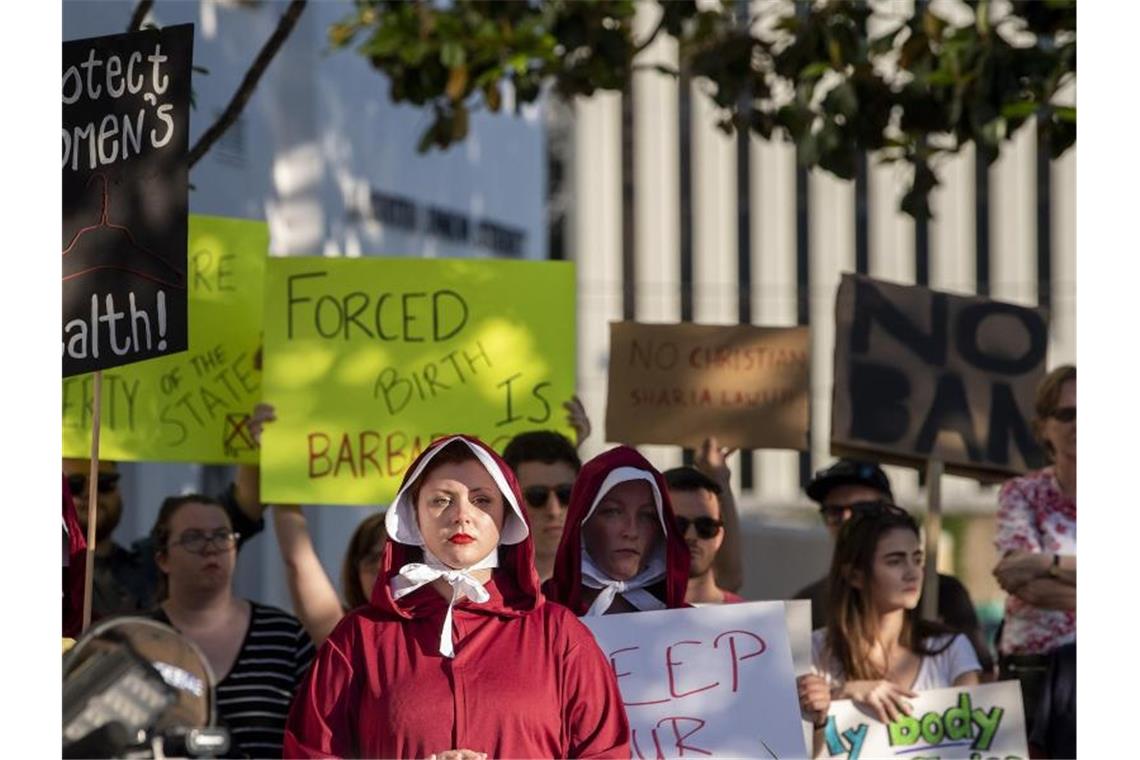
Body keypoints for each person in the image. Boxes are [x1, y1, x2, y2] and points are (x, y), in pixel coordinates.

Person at [283, 435, 630, 758]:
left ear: (507, 515)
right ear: (412, 515)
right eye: (441, 500)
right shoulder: (359, 638)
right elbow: (311, 751)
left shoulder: (559, 634)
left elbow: (605, 751)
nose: (461, 515)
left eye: (482, 500)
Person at [797, 504, 981, 748]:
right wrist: (843, 693)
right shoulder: (815, 650)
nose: (912, 573)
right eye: (895, 561)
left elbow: (977, 743)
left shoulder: (952, 648)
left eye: (917, 559)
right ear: (854, 575)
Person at [147, 493, 314, 759]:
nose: (210, 547)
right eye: (193, 537)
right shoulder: (136, 638)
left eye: (222, 535)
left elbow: (317, 740)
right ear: (162, 559)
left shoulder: (286, 636)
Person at [793, 458, 994, 675]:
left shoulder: (945, 594)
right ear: (854, 576)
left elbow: (982, 682)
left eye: (863, 510)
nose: (846, 519)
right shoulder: (808, 606)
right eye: (834, 512)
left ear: (890, 509)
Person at [63, 455, 267, 621]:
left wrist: (256, 443)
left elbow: (244, 505)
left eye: (104, 483)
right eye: (74, 485)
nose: (90, 494)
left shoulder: (154, 562)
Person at [992, 364, 1076, 729]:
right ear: (1043, 427)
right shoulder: (1021, 493)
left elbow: (1031, 571)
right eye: (1067, 414)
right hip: (1033, 673)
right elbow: (1018, 579)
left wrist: (1048, 561)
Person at [544, 445, 690, 615]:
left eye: (647, 516)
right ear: (582, 523)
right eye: (612, 512)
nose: (631, 532)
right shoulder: (534, 615)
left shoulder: (691, 628)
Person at [273, 506, 388, 647]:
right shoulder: (346, 634)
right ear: (355, 573)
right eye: (372, 558)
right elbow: (298, 561)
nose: (380, 567)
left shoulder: (423, 631)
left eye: (394, 558)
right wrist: (281, 490)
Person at [501, 430, 581, 583]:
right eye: (537, 496)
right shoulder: (480, 587)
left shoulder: (611, 581)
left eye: (566, 494)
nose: (554, 510)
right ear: (509, 503)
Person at [663, 465, 744, 604]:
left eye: (706, 526)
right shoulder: (624, 613)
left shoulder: (746, 617)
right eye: (677, 525)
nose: (691, 536)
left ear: (719, 536)